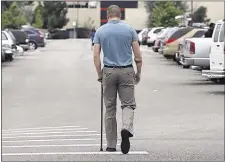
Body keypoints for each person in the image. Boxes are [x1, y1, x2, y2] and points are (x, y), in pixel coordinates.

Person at [93, 5, 142, 154]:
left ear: (108, 16)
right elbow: (138, 56)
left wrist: (100, 75)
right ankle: (126, 128)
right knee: (128, 104)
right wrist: (138, 73)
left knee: (110, 108)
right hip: (127, 70)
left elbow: (96, 56)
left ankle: (111, 145)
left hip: (108, 72)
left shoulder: (100, 31)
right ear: (120, 15)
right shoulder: (129, 30)